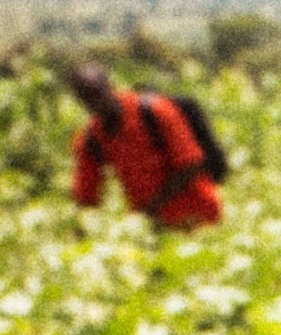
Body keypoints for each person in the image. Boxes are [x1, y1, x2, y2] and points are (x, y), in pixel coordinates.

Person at [61, 59, 222, 231]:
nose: (96, 103)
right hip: (153, 228)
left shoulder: (154, 110)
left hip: (198, 216)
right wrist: (80, 232)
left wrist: (151, 208)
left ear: (109, 86)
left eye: (97, 93)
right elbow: (86, 196)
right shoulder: (92, 139)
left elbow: (191, 164)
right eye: (87, 98)